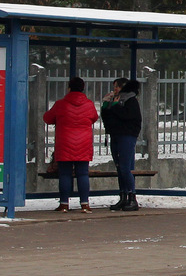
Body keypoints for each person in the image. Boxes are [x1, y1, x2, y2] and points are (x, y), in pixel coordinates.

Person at [43, 76, 99, 213]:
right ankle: (85, 204)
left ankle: (64, 204)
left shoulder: (60, 104)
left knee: (65, 174)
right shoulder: (89, 104)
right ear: (83, 88)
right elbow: (94, 118)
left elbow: (47, 118)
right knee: (82, 174)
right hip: (83, 143)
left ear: (69, 88)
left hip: (65, 142)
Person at [100, 78, 142, 211]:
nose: (114, 90)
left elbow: (126, 116)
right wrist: (106, 105)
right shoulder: (115, 101)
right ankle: (123, 196)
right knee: (119, 167)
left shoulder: (131, 101)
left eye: (117, 87)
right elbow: (107, 117)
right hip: (115, 135)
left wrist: (115, 106)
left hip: (126, 136)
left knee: (125, 167)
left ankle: (132, 196)